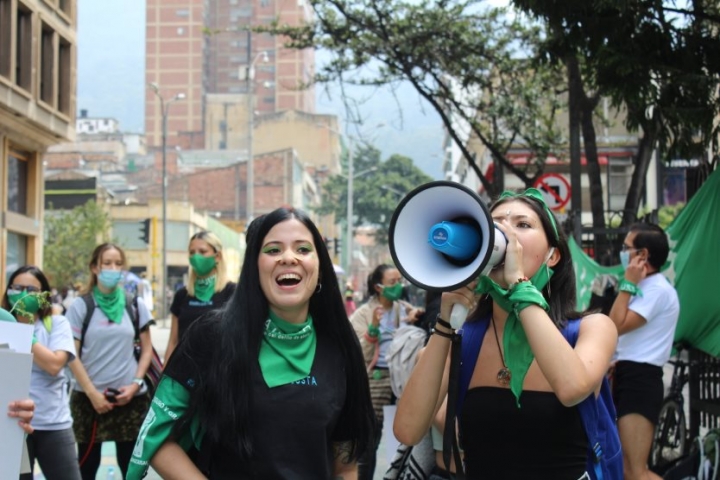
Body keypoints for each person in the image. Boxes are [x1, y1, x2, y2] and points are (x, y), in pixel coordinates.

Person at [128, 207, 376, 479]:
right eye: (273, 250)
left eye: (303, 249)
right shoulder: (212, 337)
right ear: (254, 267)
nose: (288, 258)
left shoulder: (340, 346)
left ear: (320, 267)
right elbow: (159, 435)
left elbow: (346, 465)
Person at [394, 189, 618, 479]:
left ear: (553, 256)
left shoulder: (592, 329)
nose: (505, 231)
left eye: (523, 225)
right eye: (495, 222)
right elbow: (408, 430)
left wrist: (519, 287)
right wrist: (446, 322)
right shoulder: (459, 342)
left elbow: (572, 388)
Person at [66, 243, 154, 480]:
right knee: (87, 468)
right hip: (89, 403)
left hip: (129, 401)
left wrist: (135, 384)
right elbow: (70, 355)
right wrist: (93, 394)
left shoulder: (134, 304)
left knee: (131, 470)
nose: (113, 268)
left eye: (118, 263)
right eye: (107, 263)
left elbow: (147, 349)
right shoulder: (80, 306)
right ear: (95, 267)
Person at [608, 223, 680, 480]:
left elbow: (615, 325)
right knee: (624, 469)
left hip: (641, 380)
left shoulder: (658, 290)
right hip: (628, 375)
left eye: (627, 248)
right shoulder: (646, 286)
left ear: (642, 255)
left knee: (635, 471)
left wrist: (627, 284)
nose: (622, 252)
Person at [3, 266, 81, 480]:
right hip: (11, 425)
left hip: (53, 424)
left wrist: (21, 331)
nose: (23, 293)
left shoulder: (57, 324)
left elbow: (54, 365)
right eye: (17, 287)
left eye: (31, 289)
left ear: (44, 295)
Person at [350, 264, 422, 480]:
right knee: (369, 440)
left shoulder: (405, 309)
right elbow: (357, 351)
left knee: (400, 439)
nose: (398, 286)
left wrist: (417, 318)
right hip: (375, 380)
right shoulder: (363, 313)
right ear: (378, 287)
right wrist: (372, 329)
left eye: (399, 281)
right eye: (392, 282)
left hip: (401, 381)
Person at [164, 231, 235, 363]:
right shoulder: (182, 295)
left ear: (217, 256)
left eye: (202, 252)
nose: (196, 257)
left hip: (220, 373)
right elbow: (173, 342)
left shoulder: (232, 292)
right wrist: (164, 377)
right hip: (185, 372)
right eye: (192, 252)